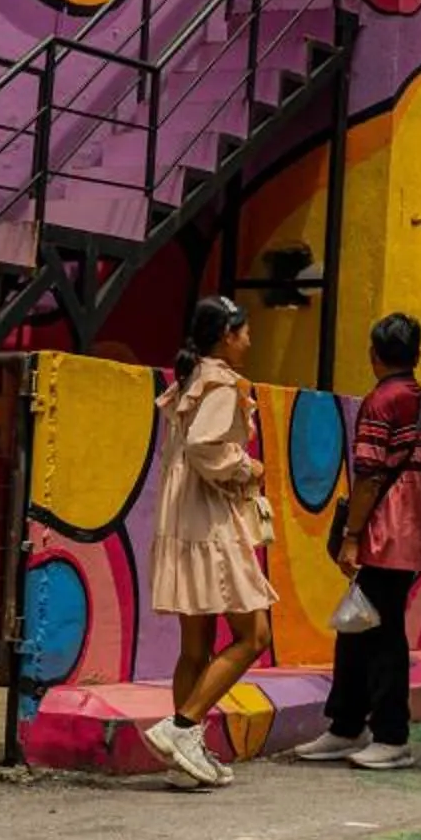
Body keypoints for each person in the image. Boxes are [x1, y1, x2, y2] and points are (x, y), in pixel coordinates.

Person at [142, 296, 276, 790]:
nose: (249, 340)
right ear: (226, 335)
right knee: (254, 636)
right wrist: (248, 468)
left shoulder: (191, 378)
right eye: (244, 331)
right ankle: (182, 727)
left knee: (195, 647)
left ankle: (184, 758)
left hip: (182, 518)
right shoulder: (220, 382)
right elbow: (205, 445)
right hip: (210, 520)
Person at [295, 313, 421, 770]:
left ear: (374, 354)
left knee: (381, 636)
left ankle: (391, 734)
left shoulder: (380, 402)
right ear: (416, 355)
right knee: (358, 628)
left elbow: (370, 475)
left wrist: (352, 536)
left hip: (381, 533)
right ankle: (346, 725)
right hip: (410, 531)